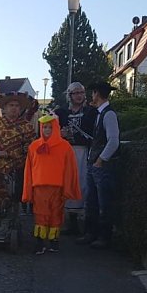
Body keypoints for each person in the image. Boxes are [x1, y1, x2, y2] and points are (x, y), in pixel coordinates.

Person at [21, 115, 81, 254]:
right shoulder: (34, 146)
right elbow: (28, 170)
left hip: (58, 187)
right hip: (39, 187)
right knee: (41, 214)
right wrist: (28, 190)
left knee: (56, 214)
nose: (47, 130)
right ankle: (40, 242)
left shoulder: (65, 147)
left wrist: (67, 188)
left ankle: (54, 241)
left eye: (50, 127)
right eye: (44, 127)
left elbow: (70, 169)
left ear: (56, 128)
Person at [77, 82, 120, 249]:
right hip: (94, 163)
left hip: (101, 166)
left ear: (97, 94)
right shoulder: (100, 113)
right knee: (92, 201)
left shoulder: (109, 115)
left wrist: (101, 160)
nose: (91, 97)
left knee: (103, 202)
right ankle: (91, 233)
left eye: (93, 93)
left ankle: (104, 237)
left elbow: (113, 140)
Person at [53, 82, 97, 235]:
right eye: (76, 93)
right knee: (67, 183)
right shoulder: (61, 113)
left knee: (82, 183)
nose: (79, 96)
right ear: (70, 95)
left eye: (82, 92)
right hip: (65, 153)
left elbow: (93, 133)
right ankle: (70, 222)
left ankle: (84, 223)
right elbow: (50, 132)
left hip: (82, 152)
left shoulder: (91, 112)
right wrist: (60, 134)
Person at [0, 92, 37, 200]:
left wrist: (23, 151)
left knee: (17, 193)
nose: (14, 108)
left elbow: (32, 145)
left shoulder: (27, 126)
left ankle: (16, 209)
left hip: (19, 166)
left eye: (17, 106)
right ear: (4, 108)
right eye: (11, 105)